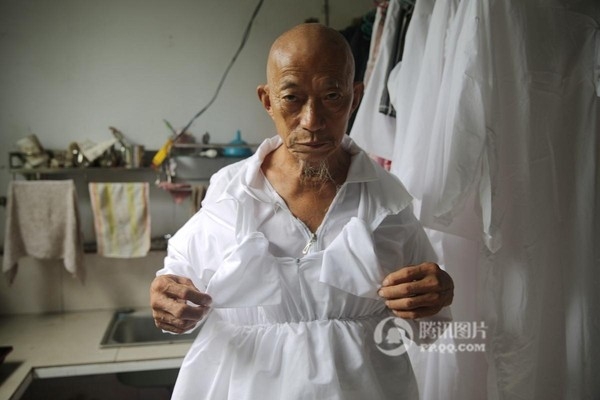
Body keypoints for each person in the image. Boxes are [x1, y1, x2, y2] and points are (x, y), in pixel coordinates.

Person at [150, 23, 454, 399]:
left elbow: (431, 328)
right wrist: (167, 301)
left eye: (332, 96)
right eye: (292, 98)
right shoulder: (230, 196)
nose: (312, 121)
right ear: (267, 100)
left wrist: (437, 297)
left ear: (355, 98)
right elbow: (175, 286)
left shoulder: (386, 202)